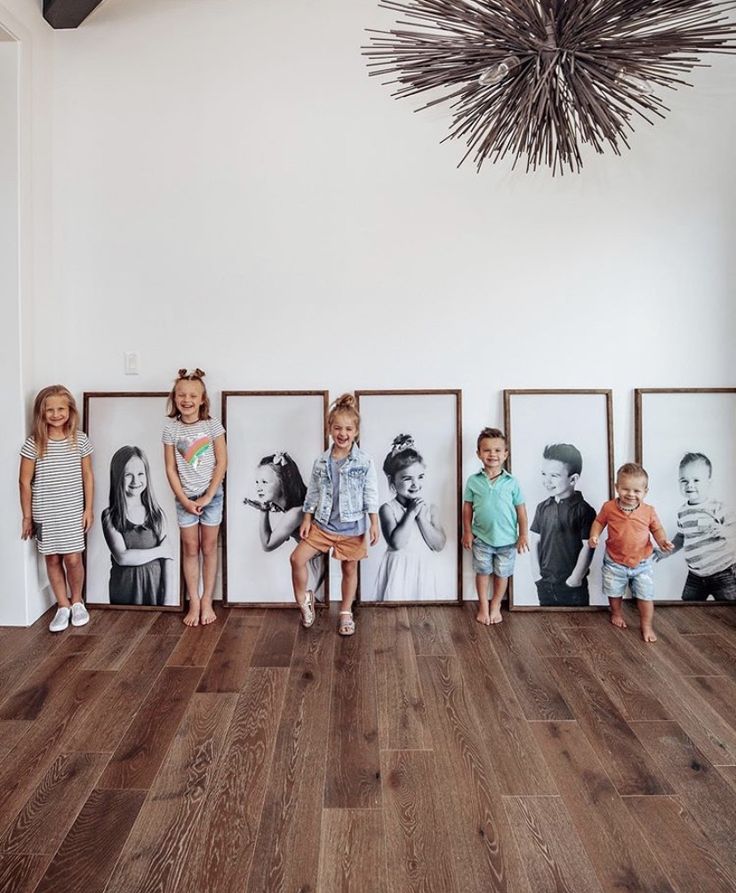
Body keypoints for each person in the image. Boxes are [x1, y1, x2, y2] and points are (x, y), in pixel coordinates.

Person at [290, 393, 379, 635]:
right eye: (338, 428)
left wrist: (373, 522)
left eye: (349, 429)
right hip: (323, 525)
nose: (343, 433)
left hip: (352, 527)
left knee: (349, 569)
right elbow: (313, 493)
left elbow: (371, 492)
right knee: (297, 559)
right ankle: (304, 600)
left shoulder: (364, 461)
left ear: (356, 431)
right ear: (330, 429)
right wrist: (307, 518)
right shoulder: (321, 461)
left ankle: (346, 612)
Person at [19, 385, 94, 632]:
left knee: (73, 558)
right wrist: (27, 516)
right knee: (52, 558)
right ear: (41, 413)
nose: (55, 414)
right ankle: (62, 606)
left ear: (70, 411)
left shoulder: (80, 440)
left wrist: (88, 508)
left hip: (72, 511)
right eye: (49, 410)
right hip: (46, 513)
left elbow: (87, 476)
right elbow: (24, 482)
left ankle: (77, 601)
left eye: (60, 408)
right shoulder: (34, 444)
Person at [163, 368, 227, 626]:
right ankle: (194, 600)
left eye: (192, 395)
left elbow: (222, 462)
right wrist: (185, 499)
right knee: (191, 548)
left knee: (209, 547)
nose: (186, 400)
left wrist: (209, 495)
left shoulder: (212, 426)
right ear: (174, 398)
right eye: (181, 395)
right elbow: (170, 468)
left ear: (202, 400)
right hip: (185, 498)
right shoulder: (171, 428)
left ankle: (208, 600)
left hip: (212, 496)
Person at [588, 462, 674, 642]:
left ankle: (646, 625)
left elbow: (657, 529)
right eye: (626, 489)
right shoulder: (609, 507)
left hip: (642, 561)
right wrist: (594, 536)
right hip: (614, 560)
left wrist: (662, 541)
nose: (631, 494)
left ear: (645, 492)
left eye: (637, 491)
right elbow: (599, 522)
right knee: (614, 591)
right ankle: (617, 614)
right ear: (617, 487)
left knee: (645, 595)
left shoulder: (648, 511)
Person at [462, 427, 528, 625]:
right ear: (479, 454)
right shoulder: (473, 481)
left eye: (498, 450)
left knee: (502, 573)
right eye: (487, 450)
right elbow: (467, 509)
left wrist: (523, 535)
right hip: (481, 537)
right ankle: (483, 606)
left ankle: (496, 605)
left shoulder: (512, 482)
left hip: (507, 540)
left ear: (505, 454)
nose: (492, 454)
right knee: (482, 572)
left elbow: (521, 511)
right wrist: (467, 532)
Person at [374, 434, 446, 600]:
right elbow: (397, 543)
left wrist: (421, 518)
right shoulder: (387, 509)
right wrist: (411, 513)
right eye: (407, 478)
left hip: (423, 569)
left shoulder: (430, 509)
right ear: (392, 480)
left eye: (420, 477)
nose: (415, 484)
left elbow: (439, 544)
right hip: (398, 570)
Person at [244, 451, 326, 596]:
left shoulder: (295, 513)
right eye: (257, 482)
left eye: (265, 482)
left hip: (322, 567)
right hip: (316, 564)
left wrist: (264, 511)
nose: (259, 487)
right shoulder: (293, 508)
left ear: (282, 482)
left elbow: (267, 544)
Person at [102, 445, 175, 606]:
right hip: (124, 590)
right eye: (128, 475)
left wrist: (169, 599)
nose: (136, 481)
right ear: (117, 476)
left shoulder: (157, 514)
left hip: (154, 588)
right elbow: (123, 557)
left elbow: (168, 561)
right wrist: (160, 551)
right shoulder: (110, 516)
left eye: (140, 474)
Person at [530, 443, 596, 607]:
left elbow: (588, 547)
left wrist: (575, 579)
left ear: (573, 479)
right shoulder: (542, 507)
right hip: (545, 583)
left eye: (554, 475)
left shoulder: (584, 510)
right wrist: (537, 576)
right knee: (548, 626)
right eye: (544, 474)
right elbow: (534, 542)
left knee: (576, 628)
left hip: (572, 587)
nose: (547, 480)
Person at [664, 452, 736, 601]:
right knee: (689, 610)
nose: (689, 485)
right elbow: (681, 537)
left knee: (729, 610)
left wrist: (723, 531)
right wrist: (668, 550)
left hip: (723, 573)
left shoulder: (717, 507)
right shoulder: (682, 512)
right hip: (695, 575)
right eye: (684, 480)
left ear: (708, 482)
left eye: (696, 480)